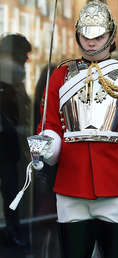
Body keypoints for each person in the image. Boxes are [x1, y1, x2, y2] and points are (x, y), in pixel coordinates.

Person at [36, 1, 118, 257]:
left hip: (116, 187)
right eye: (85, 35)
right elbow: (51, 125)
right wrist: (45, 147)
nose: (91, 42)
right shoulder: (60, 76)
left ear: (111, 35)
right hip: (71, 186)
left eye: (99, 36)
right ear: (77, 34)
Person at [0, 33, 31, 248]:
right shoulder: (11, 72)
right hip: (7, 143)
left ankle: (14, 231)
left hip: (8, 144)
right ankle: (14, 232)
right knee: (12, 190)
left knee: (12, 190)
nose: (27, 60)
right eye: (24, 54)